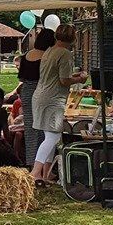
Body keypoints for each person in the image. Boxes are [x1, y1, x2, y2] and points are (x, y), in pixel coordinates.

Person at [31, 23, 87, 182]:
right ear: (73, 38)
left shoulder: (49, 51)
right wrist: (81, 79)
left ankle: (46, 174)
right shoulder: (65, 54)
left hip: (40, 96)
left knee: (49, 135)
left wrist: (74, 76)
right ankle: (35, 173)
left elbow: (56, 75)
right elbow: (64, 80)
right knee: (54, 137)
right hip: (53, 99)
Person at [17, 27, 55, 167]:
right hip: (41, 91)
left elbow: (21, 77)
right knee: (44, 128)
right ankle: (42, 163)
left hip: (27, 92)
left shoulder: (26, 55)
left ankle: (31, 161)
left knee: (30, 128)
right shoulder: (48, 57)